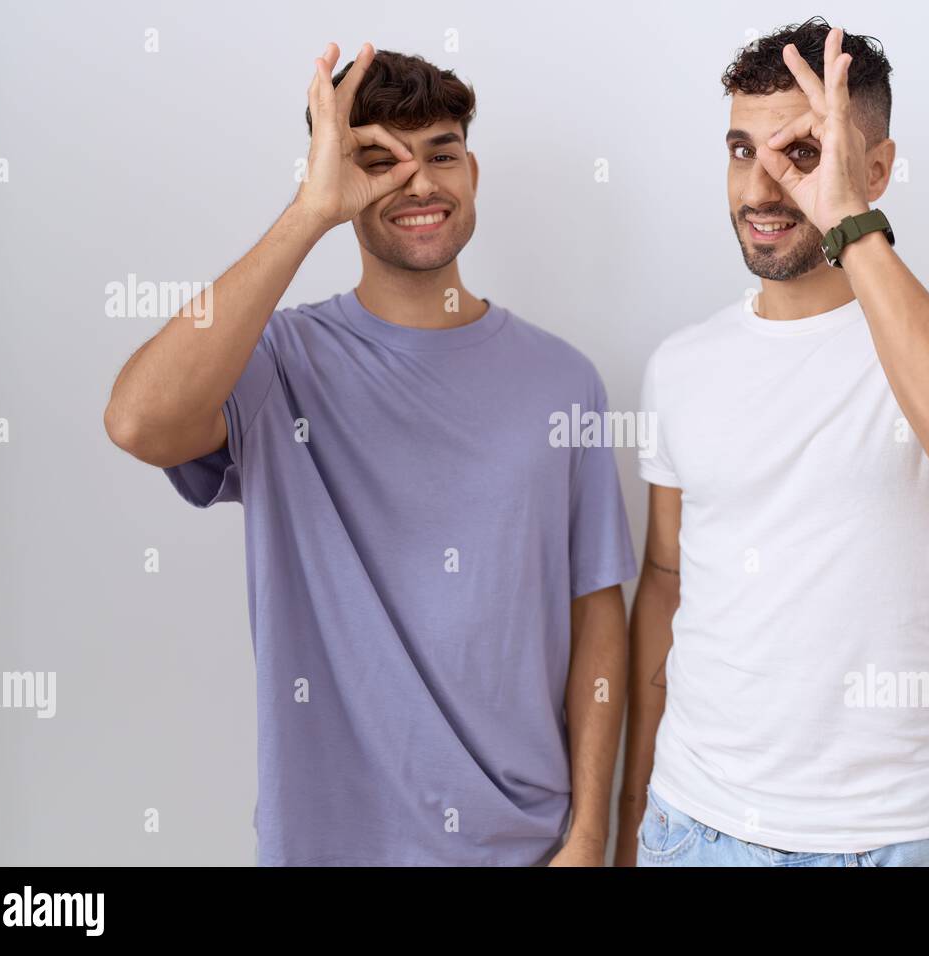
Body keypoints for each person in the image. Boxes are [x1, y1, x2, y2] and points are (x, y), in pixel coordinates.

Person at [104, 43, 635, 866]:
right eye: (378, 161)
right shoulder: (277, 363)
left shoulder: (565, 381)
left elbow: (595, 611)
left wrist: (591, 833)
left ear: (473, 174)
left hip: (526, 845)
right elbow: (138, 422)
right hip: (330, 846)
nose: (417, 183)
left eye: (440, 156)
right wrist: (308, 212)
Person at [617, 18, 929, 867]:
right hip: (692, 829)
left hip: (887, 837)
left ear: (877, 168)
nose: (761, 187)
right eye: (742, 151)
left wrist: (851, 220)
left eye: (803, 153)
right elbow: (667, 581)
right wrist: (637, 814)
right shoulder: (681, 365)